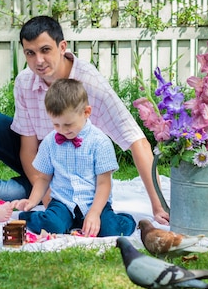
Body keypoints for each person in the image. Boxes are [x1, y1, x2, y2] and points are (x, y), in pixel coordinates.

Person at [0, 15, 170, 225]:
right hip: (40, 162)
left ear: (62, 46)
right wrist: (45, 193)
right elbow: (27, 149)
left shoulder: (90, 83)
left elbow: (136, 140)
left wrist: (158, 205)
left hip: (69, 176)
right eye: (30, 53)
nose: (38, 61)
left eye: (45, 50)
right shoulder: (24, 82)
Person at [12, 79, 136, 236]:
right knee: (52, 225)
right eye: (56, 125)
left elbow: (104, 184)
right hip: (63, 202)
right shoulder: (50, 142)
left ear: (86, 112)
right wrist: (32, 201)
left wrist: (95, 213)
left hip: (94, 202)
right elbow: (43, 179)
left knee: (110, 230)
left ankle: (126, 220)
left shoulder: (100, 142)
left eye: (68, 125)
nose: (62, 130)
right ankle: (29, 217)